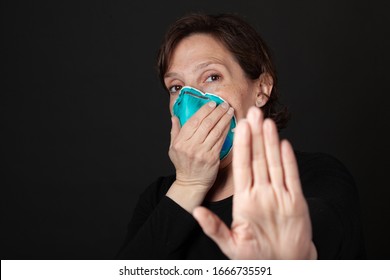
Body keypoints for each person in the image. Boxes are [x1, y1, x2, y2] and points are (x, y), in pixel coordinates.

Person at [117, 12, 365, 259]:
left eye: (212, 77)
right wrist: (188, 185)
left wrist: (292, 260)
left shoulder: (317, 176)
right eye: (176, 87)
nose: (190, 101)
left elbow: (320, 236)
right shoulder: (159, 198)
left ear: (261, 89)